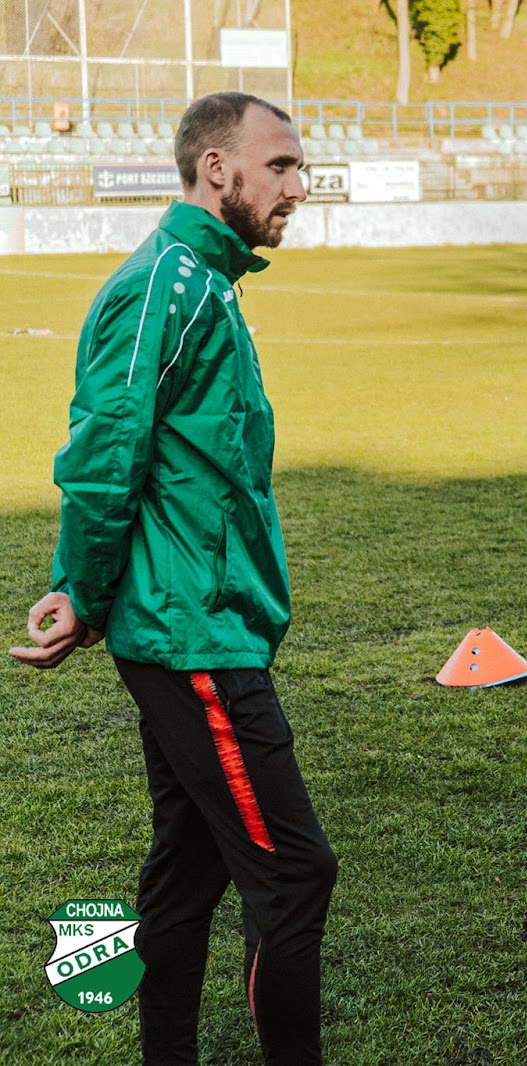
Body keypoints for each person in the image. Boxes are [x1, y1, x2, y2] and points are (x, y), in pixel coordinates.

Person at [10, 92, 336, 1065]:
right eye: (280, 165)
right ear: (216, 169)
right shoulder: (168, 283)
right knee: (295, 875)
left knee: (188, 872)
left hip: (206, 618)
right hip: (191, 631)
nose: (298, 185)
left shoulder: (206, 279)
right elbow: (107, 449)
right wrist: (80, 587)